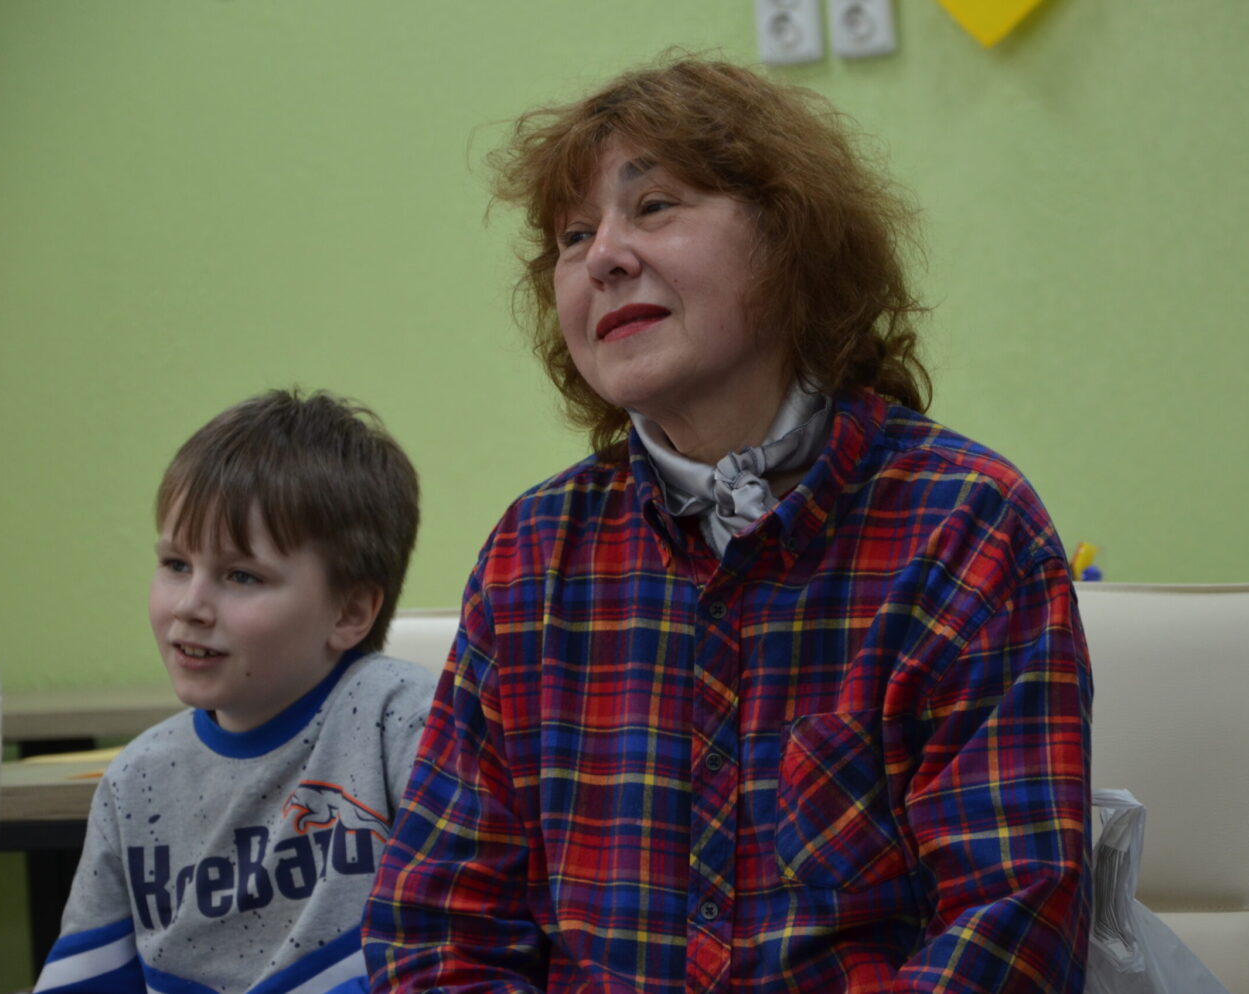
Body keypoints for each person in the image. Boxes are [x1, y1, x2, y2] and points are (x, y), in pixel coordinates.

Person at [365, 56, 1093, 993]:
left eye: (654, 206)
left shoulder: (965, 525)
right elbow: (438, 934)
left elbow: (1012, 927)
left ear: (792, 239)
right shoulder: (534, 554)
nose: (603, 256)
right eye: (574, 235)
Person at [35, 389, 432, 994]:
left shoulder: (404, 722)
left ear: (350, 612)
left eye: (241, 576)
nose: (190, 606)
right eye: (175, 564)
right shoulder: (135, 780)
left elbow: (461, 947)